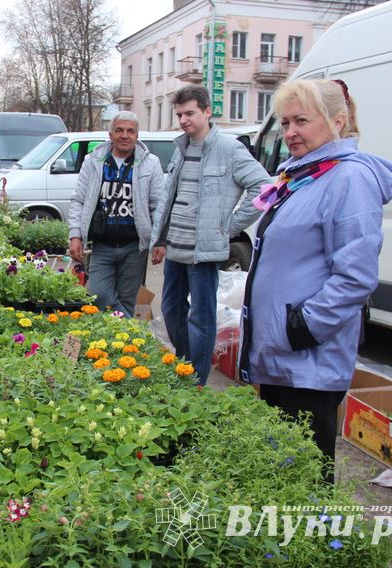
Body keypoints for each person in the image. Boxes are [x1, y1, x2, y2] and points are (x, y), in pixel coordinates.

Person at [238, 79, 392, 482]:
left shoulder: (349, 179)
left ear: (337, 122)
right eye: (285, 122)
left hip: (308, 360)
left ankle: (314, 539)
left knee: (307, 478)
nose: (290, 132)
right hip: (282, 353)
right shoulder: (305, 174)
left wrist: (302, 328)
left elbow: (356, 276)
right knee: (284, 472)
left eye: (301, 121)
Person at [149, 84, 270, 386]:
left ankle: (196, 380)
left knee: (201, 318)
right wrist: (160, 239)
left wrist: (227, 228)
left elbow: (265, 189)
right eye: (179, 114)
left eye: (189, 113)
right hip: (176, 246)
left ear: (207, 111)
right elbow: (170, 198)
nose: (184, 120)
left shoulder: (229, 149)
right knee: (171, 309)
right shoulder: (182, 147)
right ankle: (185, 364)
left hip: (203, 252)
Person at [68, 111, 166, 316]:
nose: (125, 135)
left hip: (134, 247)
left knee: (126, 301)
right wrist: (75, 235)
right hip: (102, 245)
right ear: (110, 134)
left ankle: (119, 345)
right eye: (119, 130)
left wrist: (159, 241)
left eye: (131, 131)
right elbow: (78, 200)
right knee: (99, 296)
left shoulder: (151, 163)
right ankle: (131, 334)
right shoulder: (94, 161)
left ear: (137, 135)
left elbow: (158, 206)